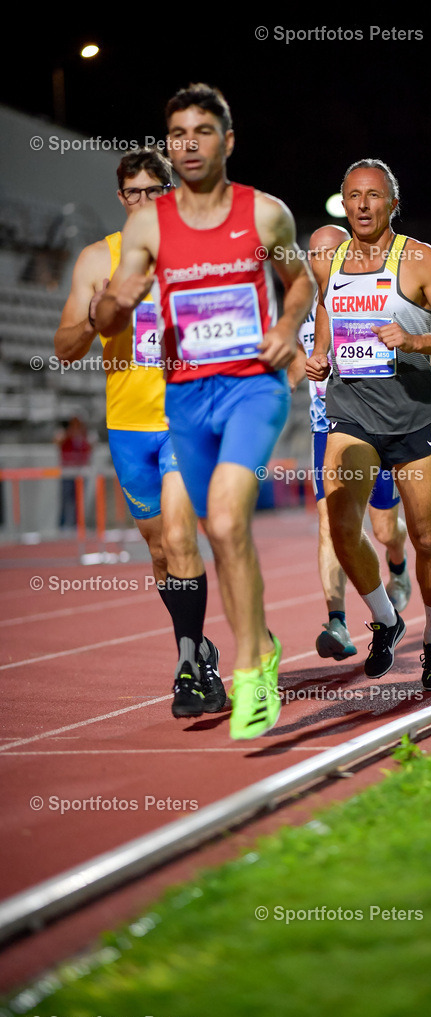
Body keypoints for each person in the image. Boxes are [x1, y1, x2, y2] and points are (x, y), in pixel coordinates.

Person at [95, 84, 315, 740]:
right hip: (184, 396)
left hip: (251, 387)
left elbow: (300, 280)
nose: (188, 144)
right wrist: (115, 302)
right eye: (177, 134)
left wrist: (288, 327)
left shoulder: (265, 213)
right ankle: (261, 644)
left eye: (202, 131)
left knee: (223, 518)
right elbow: (107, 314)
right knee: (211, 535)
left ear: (228, 140)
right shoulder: (147, 225)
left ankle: (251, 671)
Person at [55, 147, 225, 720]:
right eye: (135, 192)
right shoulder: (97, 259)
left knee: (180, 538)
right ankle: (201, 648)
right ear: (121, 198)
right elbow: (64, 347)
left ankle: (187, 668)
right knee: (158, 550)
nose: (146, 201)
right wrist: (95, 313)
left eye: (157, 191)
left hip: (184, 421)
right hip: (128, 428)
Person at [306, 159, 431, 690]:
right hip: (351, 412)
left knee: (426, 536)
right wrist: (320, 354)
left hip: (411, 415)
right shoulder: (331, 261)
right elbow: (327, 311)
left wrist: (415, 340)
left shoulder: (419, 258)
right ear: (343, 202)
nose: (362, 205)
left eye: (374, 195)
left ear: (392, 204)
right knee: (340, 525)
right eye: (353, 195)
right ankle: (385, 619)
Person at [289, 224, 412, 660]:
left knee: (384, 529)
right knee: (330, 524)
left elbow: (428, 355)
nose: (320, 261)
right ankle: (337, 622)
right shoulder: (299, 309)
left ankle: (398, 564)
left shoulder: (377, 292)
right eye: (313, 254)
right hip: (327, 428)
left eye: (329, 252)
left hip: (376, 425)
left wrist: (396, 348)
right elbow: (291, 367)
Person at [54, 416, 92, 528]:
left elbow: (91, 447)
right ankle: (62, 524)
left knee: (79, 499)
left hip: (80, 472)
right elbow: (57, 442)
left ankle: (77, 524)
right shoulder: (65, 434)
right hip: (67, 472)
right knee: (65, 499)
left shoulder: (84, 435)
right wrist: (69, 433)